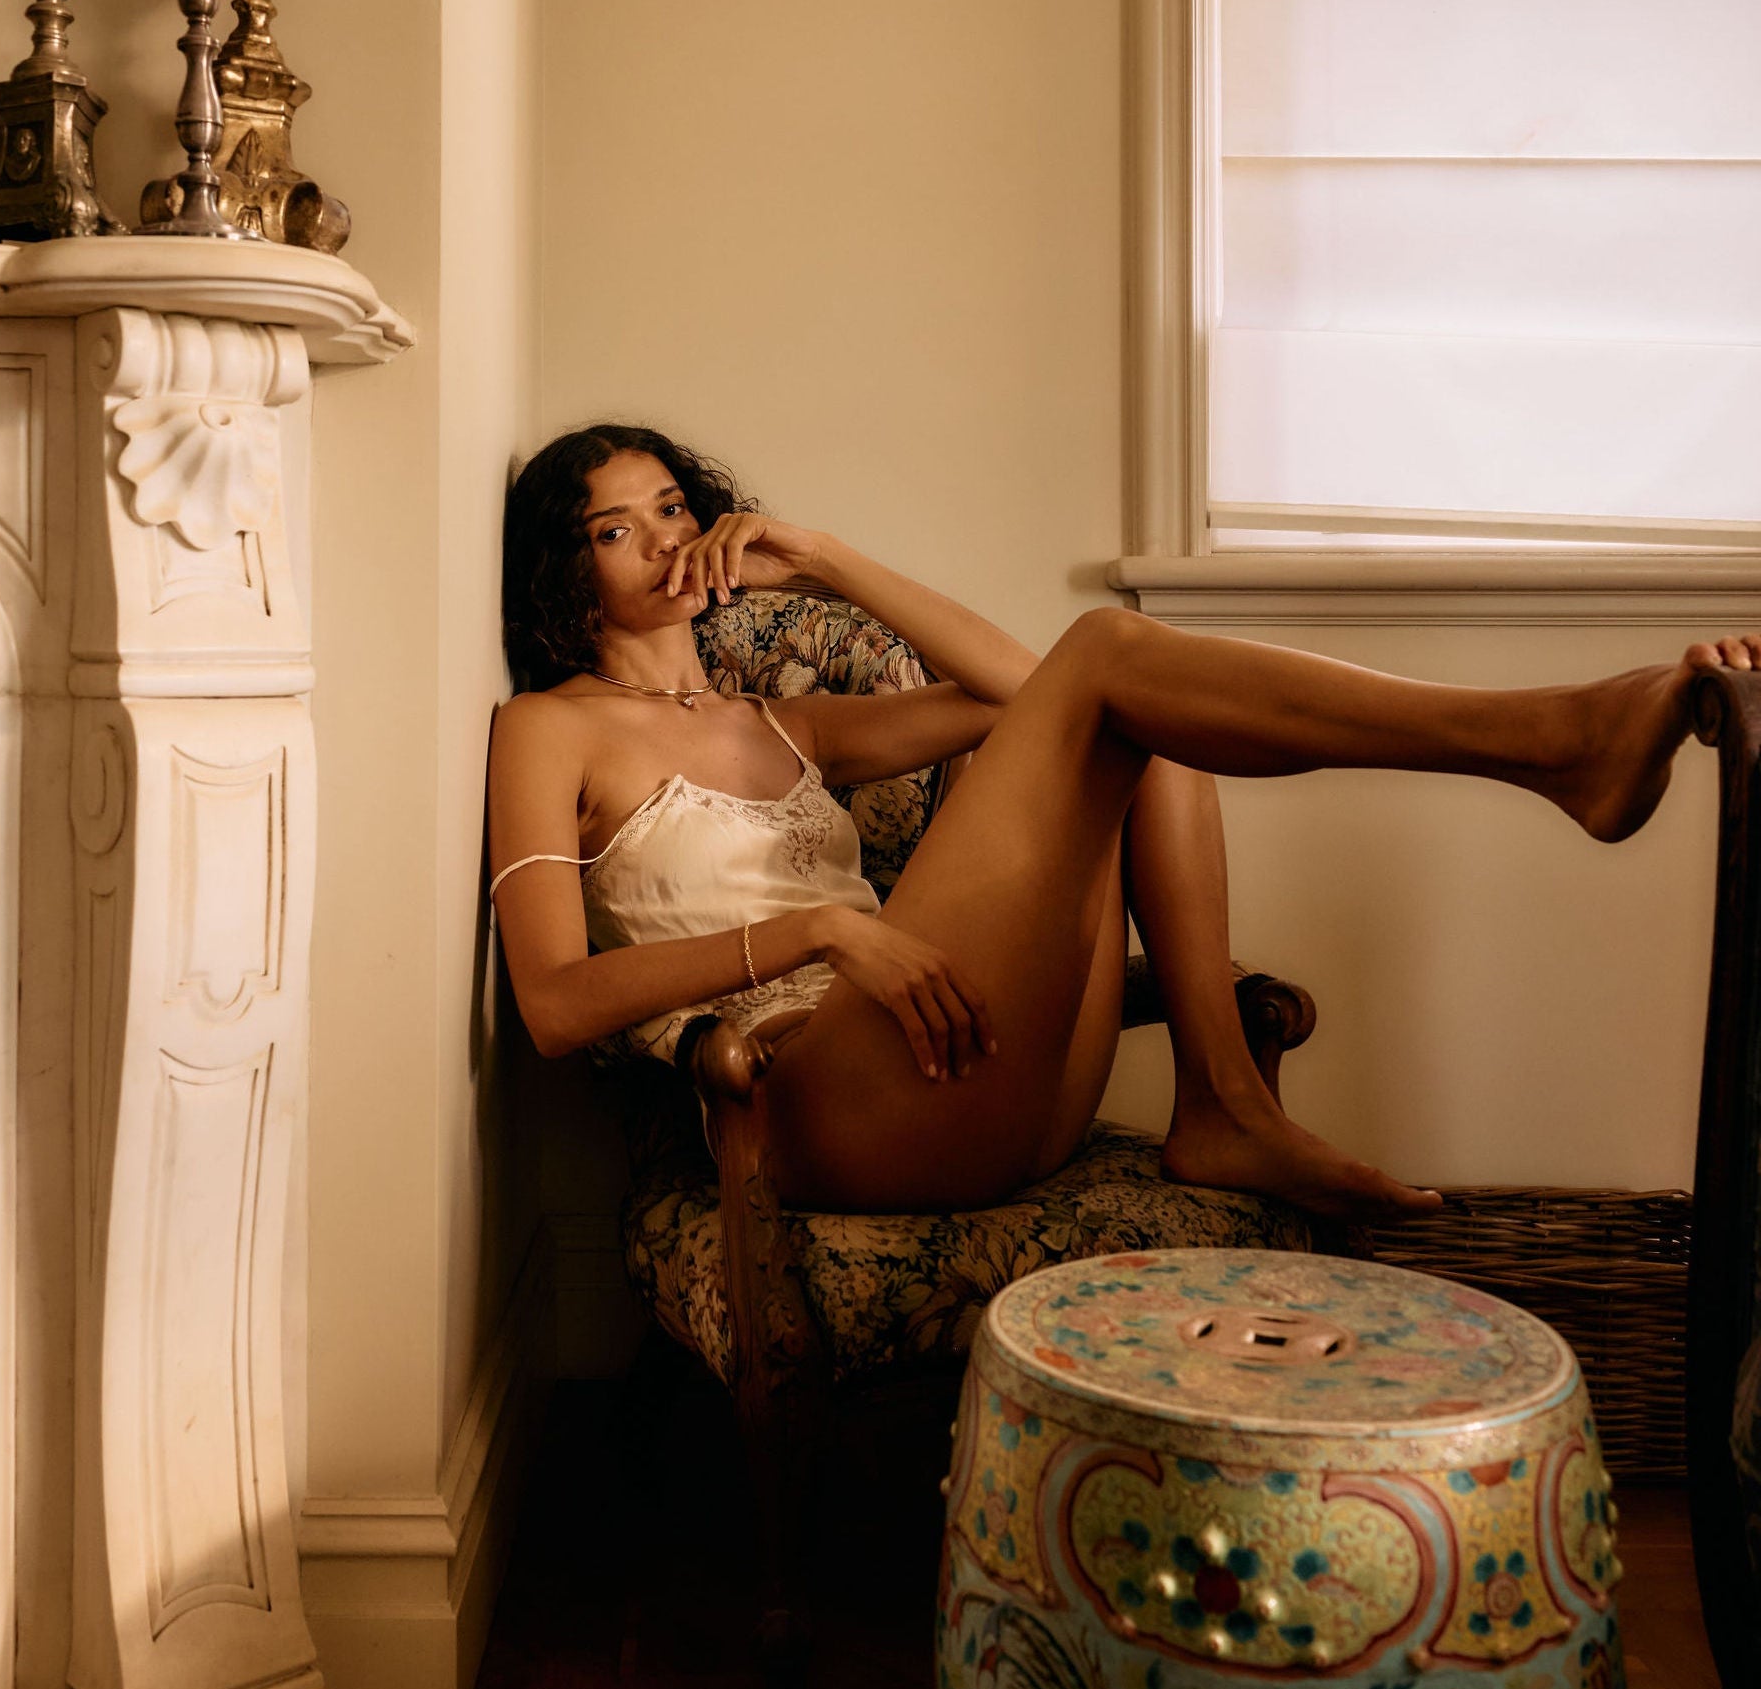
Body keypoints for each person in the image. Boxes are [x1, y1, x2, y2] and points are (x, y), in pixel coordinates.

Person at [487, 422, 1742, 1221]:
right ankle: (1548, 739)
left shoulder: (786, 722)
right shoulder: (548, 728)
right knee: (1109, 662)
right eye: (614, 528)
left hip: (974, 1073)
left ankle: (1222, 1101)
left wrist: (823, 559)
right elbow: (551, 1004)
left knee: (1131, 702)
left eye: (672, 507)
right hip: (822, 1116)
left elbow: (1028, 690)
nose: (662, 539)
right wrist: (818, 930)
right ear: (563, 570)